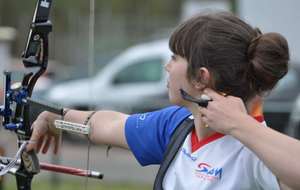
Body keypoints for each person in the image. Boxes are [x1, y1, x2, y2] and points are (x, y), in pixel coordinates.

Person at [26, 12, 300, 189]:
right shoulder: (178, 125)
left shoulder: (255, 149)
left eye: (175, 58)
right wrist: (56, 120)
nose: (167, 67)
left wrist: (241, 125)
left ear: (200, 77)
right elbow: (108, 124)